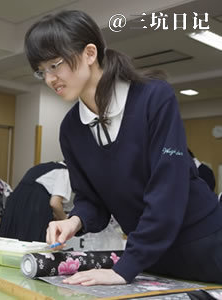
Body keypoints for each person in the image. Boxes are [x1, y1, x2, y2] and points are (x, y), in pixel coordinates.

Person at [24, 10, 222, 285]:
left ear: (90, 54)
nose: (49, 78)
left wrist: (124, 268)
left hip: (205, 244)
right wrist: (75, 220)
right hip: (150, 259)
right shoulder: (71, 129)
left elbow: (168, 189)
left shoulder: (154, 97)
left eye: (55, 65)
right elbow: (91, 200)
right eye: (41, 71)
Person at [0, 161, 71, 242]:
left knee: (9, 240)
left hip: (15, 204)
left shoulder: (44, 166)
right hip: (34, 207)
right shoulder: (64, 172)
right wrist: (67, 221)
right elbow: (55, 204)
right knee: (30, 244)